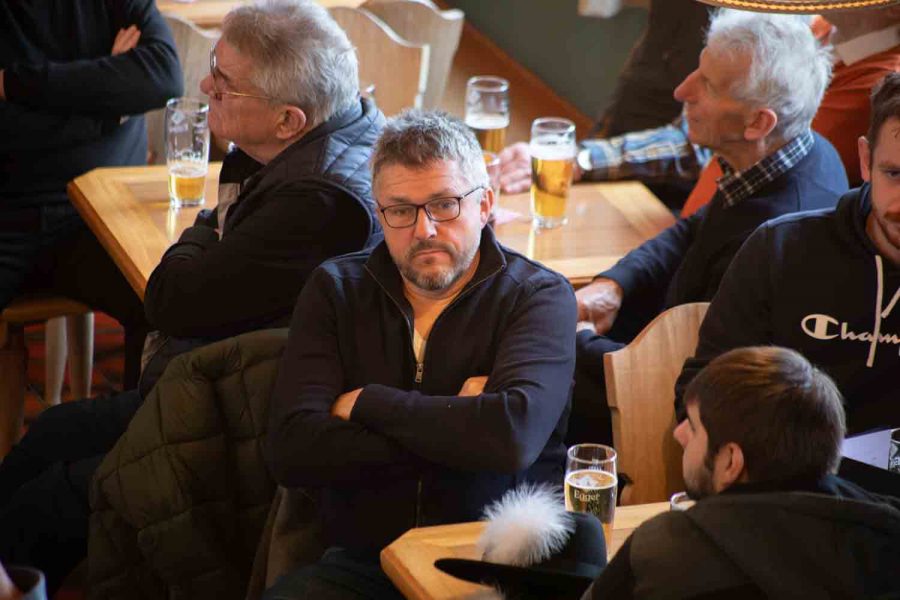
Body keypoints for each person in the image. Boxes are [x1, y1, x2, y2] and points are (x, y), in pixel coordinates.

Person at [0, 0, 384, 593]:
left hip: (239, 422)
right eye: (212, 68)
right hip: (214, 381)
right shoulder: (314, 140)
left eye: (224, 83)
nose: (204, 87)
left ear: (288, 121)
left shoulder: (319, 204)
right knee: (51, 432)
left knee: (42, 504)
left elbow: (170, 298)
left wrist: (203, 226)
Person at [264, 110, 577, 599]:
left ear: (485, 204)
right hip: (366, 561)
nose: (424, 229)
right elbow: (292, 450)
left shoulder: (538, 296)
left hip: (498, 559)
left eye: (445, 205)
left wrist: (368, 403)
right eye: (401, 211)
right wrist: (462, 425)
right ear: (379, 214)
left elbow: (512, 438)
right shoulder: (336, 289)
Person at [566, 11, 847, 445]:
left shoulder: (774, 236)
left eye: (709, 86)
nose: (682, 90)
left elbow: (684, 374)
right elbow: (692, 230)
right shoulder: (799, 151)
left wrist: (579, 342)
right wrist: (615, 284)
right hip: (653, 344)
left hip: (669, 413)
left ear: (758, 123)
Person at [676, 72, 900, 435]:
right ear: (865, 160)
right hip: (786, 469)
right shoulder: (779, 249)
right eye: (894, 174)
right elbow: (701, 393)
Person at [584, 346, 900, 599]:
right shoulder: (885, 538)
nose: (679, 434)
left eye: (693, 425)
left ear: (731, 461)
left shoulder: (661, 551)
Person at [0, 0, 183, 386]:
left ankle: (135, 427)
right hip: (9, 215)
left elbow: (164, 77)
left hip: (99, 219)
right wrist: (109, 102)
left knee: (165, 305)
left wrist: (15, 84)